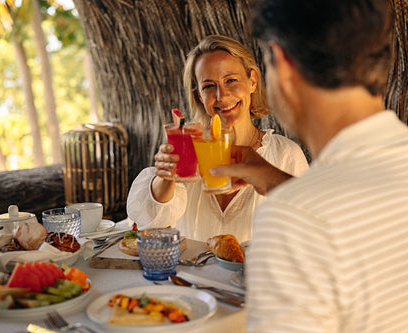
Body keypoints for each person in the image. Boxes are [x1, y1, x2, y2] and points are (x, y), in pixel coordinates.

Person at [211, 0, 408, 331]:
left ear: (283, 66)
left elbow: (322, 221)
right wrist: (277, 181)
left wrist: (292, 201)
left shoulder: (294, 218)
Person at [126, 35, 308, 242]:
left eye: (231, 80)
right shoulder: (187, 154)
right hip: (188, 275)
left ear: (252, 81)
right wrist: (164, 176)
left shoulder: (285, 154)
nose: (221, 95)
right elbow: (151, 222)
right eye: (209, 86)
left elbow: (310, 230)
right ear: (199, 96)